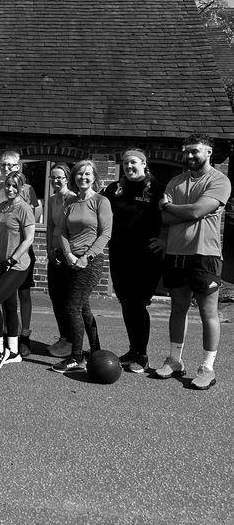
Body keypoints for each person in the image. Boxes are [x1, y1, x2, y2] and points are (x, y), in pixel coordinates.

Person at [155, 134, 231, 390]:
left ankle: (207, 367)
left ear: (209, 152)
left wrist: (173, 208)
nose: (188, 156)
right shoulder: (176, 181)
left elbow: (197, 210)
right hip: (176, 253)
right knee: (178, 308)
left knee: (208, 312)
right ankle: (175, 360)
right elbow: (164, 219)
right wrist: (186, 211)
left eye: (194, 151)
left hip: (205, 254)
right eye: (185, 151)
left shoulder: (220, 181)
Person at [103, 149, 166, 373]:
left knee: (138, 304)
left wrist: (165, 240)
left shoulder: (158, 190)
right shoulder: (114, 190)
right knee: (126, 303)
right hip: (120, 255)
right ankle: (133, 349)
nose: (129, 167)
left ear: (144, 164)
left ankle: (142, 354)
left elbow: (175, 217)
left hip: (146, 257)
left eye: (133, 163)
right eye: (125, 163)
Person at [52, 160, 113, 373]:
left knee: (71, 306)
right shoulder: (71, 202)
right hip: (71, 260)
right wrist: (68, 254)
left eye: (87, 174)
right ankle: (95, 351)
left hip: (91, 262)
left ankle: (77, 357)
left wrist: (86, 257)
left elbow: (106, 233)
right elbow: (61, 230)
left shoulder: (101, 201)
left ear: (94, 177)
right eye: (79, 174)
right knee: (83, 308)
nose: (82, 178)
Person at [0, 172, 36, 371]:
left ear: (22, 187)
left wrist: (11, 260)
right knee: (9, 306)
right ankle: (13, 351)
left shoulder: (24, 208)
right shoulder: (2, 207)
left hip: (18, 266)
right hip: (1, 263)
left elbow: (28, 239)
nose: (10, 189)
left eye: (15, 186)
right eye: (8, 185)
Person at [0, 150, 42, 356]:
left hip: (20, 252)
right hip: (3, 251)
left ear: (18, 166)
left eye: (10, 165)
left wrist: (19, 247)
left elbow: (35, 215)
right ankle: (9, 338)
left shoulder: (28, 189)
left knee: (23, 294)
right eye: (3, 165)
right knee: (8, 299)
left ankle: (25, 336)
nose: (6, 168)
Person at [45, 163, 76, 358]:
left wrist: (62, 251)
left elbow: (72, 230)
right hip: (54, 254)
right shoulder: (51, 199)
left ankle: (73, 340)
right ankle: (64, 337)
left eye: (60, 177)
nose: (56, 181)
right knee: (55, 297)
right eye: (53, 178)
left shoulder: (72, 199)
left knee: (68, 300)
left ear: (67, 178)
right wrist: (49, 250)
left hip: (67, 254)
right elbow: (49, 227)